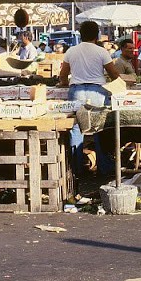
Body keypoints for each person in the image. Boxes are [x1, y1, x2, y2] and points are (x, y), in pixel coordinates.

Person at [58, 21, 120, 175]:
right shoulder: (101, 51)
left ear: (80, 34)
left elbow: (63, 75)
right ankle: (104, 168)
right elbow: (113, 74)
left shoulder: (71, 51)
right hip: (97, 92)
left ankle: (76, 170)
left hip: (77, 91)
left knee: (76, 130)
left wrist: (64, 83)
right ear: (97, 35)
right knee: (100, 130)